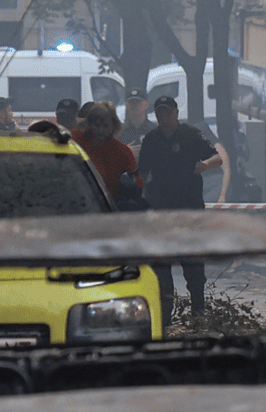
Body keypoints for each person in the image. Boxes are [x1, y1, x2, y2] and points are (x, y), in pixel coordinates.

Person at [135, 95, 222, 321]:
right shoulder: (152, 139)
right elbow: (142, 173)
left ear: (175, 113)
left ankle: (198, 310)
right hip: (161, 210)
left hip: (189, 209)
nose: (164, 117)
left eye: (167, 112)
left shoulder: (191, 135)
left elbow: (217, 158)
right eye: (160, 113)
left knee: (193, 261)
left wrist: (204, 165)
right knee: (162, 263)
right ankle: (165, 311)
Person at [71, 100, 137, 199]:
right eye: (97, 125)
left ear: (113, 126)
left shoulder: (122, 152)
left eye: (105, 125)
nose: (101, 130)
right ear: (89, 123)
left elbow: (136, 182)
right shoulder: (75, 143)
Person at [118, 89, 157, 155]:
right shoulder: (119, 131)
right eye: (131, 103)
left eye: (137, 103)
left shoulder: (155, 130)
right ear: (127, 106)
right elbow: (110, 158)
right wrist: (124, 152)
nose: (134, 106)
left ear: (146, 105)